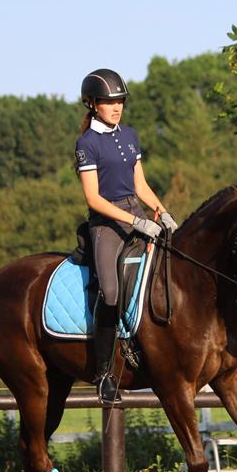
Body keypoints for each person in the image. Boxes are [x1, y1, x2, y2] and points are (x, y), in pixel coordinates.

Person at [75, 68, 178, 404]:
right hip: (107, 224)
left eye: (119, 101)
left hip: (138, 212)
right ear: (92, 104)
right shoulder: (86, 144)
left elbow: (140, 185)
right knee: (109, 291)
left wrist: (162, 212)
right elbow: (94, 199)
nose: (116, 107)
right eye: (108, 102)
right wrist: (135, 222)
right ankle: (104, 372)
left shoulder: (130, 135)